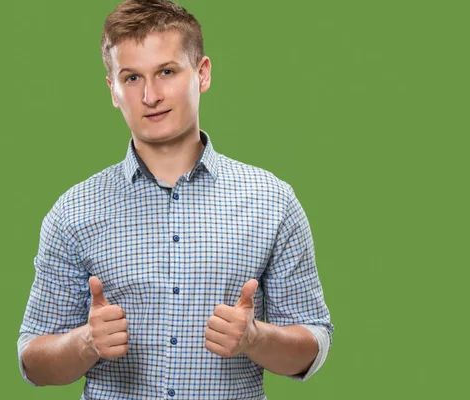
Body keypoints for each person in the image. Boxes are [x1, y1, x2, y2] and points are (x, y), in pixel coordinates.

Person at [17, 0, 334, 398]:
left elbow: (313, 343)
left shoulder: (272, 200)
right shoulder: (73, 211)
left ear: (202, 74)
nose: (150, 95)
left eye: (166, 72)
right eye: (131, 78)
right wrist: (84, 343)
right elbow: (33, 360)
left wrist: (255, 338)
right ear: (112, 90)